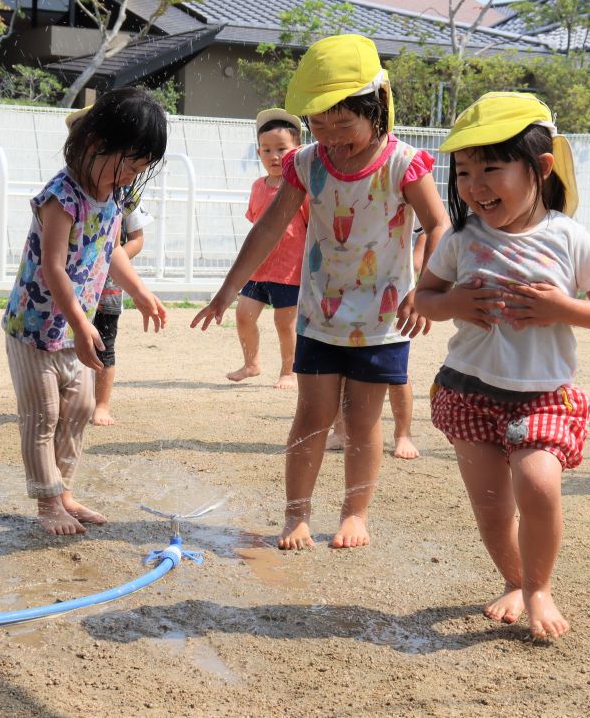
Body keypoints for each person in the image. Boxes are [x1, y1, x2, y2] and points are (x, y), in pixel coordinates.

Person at [192, 34, 451, 550]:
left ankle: (355, 513)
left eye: (343, 124)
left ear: (375, 109)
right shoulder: (306, 163)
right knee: (311, 415)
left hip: (382, 319)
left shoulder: (404, 163)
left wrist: (424, 288)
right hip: (319, 315)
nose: (331, 136)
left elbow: (439, 226)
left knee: (361, 419)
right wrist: (227, 291)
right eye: (319, 124)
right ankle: (296, 515)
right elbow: (267, 230)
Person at [415, 92, 590, 640]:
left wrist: (566, 309)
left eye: (491, 168)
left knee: (537, 486)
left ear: (540, 167)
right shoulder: (461, 239)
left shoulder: (568, 237)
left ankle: (539, 587)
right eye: (464, 172)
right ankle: (514, 579)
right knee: (491, 509)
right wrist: (454, 304)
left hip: (540, 395)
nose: (475, 186)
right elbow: (426, 299)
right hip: (468, 391)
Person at [2, 88, 168, 535]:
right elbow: (53, 266)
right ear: (95, 144)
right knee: (44, 416)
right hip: (36, 328)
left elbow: (110, 251)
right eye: (126, 165)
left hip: (77, 328)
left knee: (81, 408)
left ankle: (65, 491)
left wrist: (139, 291)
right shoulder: (63, 195)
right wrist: (78, 321)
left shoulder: (113, 196)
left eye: (139, 169)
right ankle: (46, 503)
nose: (129, 176)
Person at [52, 107, 158, 427]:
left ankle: (101, 404)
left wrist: (118, 270)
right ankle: (64, 401)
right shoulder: (65, 194)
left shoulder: (125, 193)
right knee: (65, 344)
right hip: (70, 290)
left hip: (108, 287)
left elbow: (132, 241)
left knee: (103, 345)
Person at [226, 108, 310, 389]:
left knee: (285, 324)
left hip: (290, 271)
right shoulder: (257, 186)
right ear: (258, 153)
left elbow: (310, 226)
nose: (274, 156)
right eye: (267, 150)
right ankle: (252, 363)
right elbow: (256, 223)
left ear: (297, 150)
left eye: (282, 149)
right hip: (258, 268)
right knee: (243, 315)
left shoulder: (300, 187)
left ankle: (289, 371)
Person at [327, 228, 427, 459]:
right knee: (340, 368)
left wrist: (416, 275)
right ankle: (340, 430)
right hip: (346, 290)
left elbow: (426, 230)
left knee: (395, 374)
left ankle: (403, 434)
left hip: (392, 294)